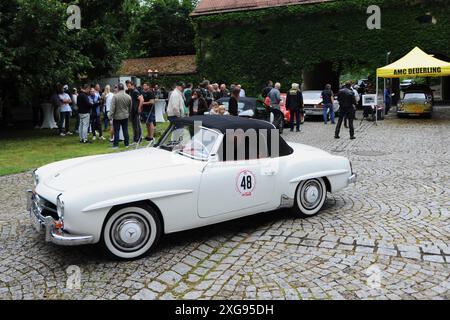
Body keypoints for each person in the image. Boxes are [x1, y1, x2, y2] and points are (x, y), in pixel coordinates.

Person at [109, 83, 131, 149]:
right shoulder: (128, 96)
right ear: (123, 88)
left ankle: (116, 145)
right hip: (125, 116)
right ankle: (127, 144)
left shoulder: (115, 96)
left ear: (118, 88)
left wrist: (110, 116)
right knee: (125, 130)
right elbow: (130, 106)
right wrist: (128, 113)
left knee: (117, 131)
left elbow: (112, 107)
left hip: (117, 116)